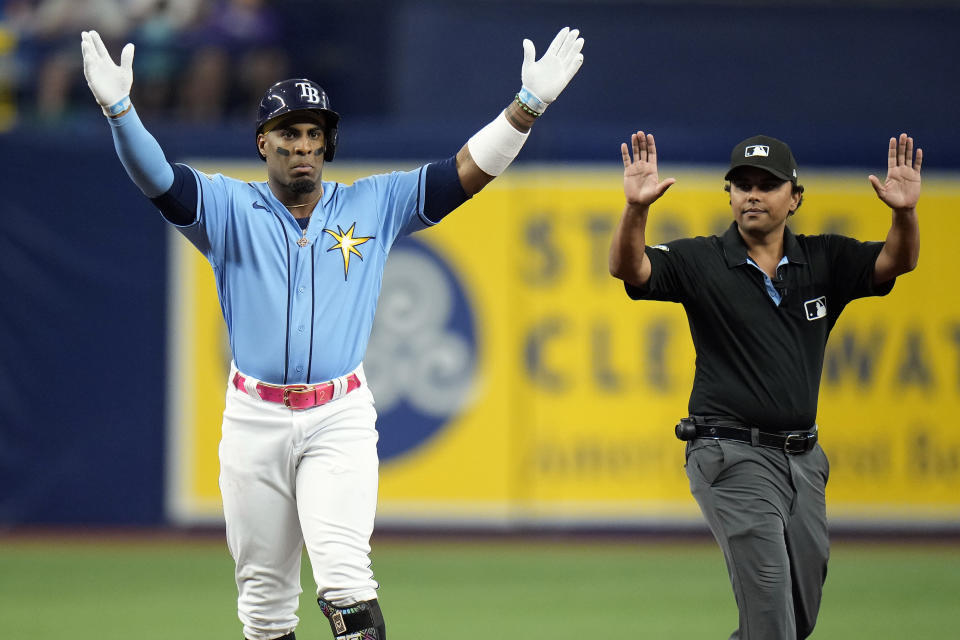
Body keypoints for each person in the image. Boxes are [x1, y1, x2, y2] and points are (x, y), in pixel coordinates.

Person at [80, 26, 584, 640]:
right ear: (263, 143)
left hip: (337, 415)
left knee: (346, 583)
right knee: (264, 608)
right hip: (253, 417)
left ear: (328, 146)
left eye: (314, 135)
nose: (303, 147)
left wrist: (525, 108)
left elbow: (463, 174)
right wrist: (120, 111)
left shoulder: (373, 203)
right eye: (289, 134)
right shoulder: (227, 208)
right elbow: (156, 178)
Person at [608, 131, 920, 639]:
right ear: (728, 195)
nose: (752, 194)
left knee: (796, 619)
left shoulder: (825, 260)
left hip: (804, 461)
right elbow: (631, 268)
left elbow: (896, 262)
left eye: (767, 185)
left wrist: (904, 214)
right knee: (771, 611)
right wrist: (635, 210)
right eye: (742, 184)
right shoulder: (701, 259)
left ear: (794, 198)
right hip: (730, 453)